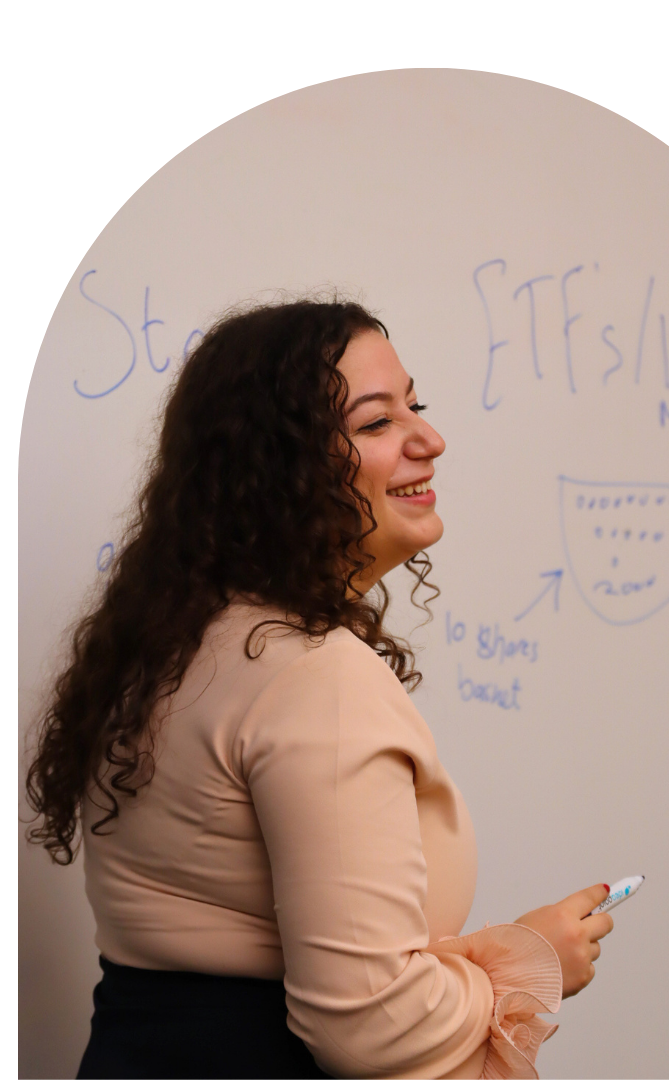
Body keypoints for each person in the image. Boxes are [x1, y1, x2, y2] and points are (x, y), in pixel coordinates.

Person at [24, 297, 614, 1080]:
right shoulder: (315, 676)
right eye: (377, 422)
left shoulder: (166, 642)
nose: (430, 440)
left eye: (417, 406)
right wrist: (528, 963)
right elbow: (369, 1024)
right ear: (281, 467)